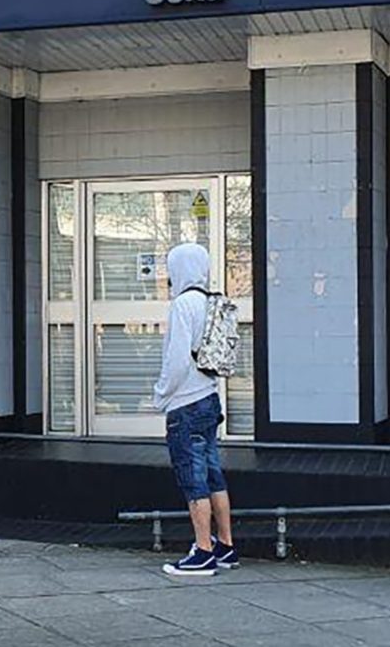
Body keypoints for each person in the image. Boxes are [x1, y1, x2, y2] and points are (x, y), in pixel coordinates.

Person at [153, 242, 236, 576]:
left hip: (185, 403)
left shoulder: (182, 305)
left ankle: (202, 551)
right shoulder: (210, 301)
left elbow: (175, 361)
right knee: (214, 474)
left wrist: (160, 396)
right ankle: (225, 545)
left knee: (193, 478)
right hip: (209, 398)